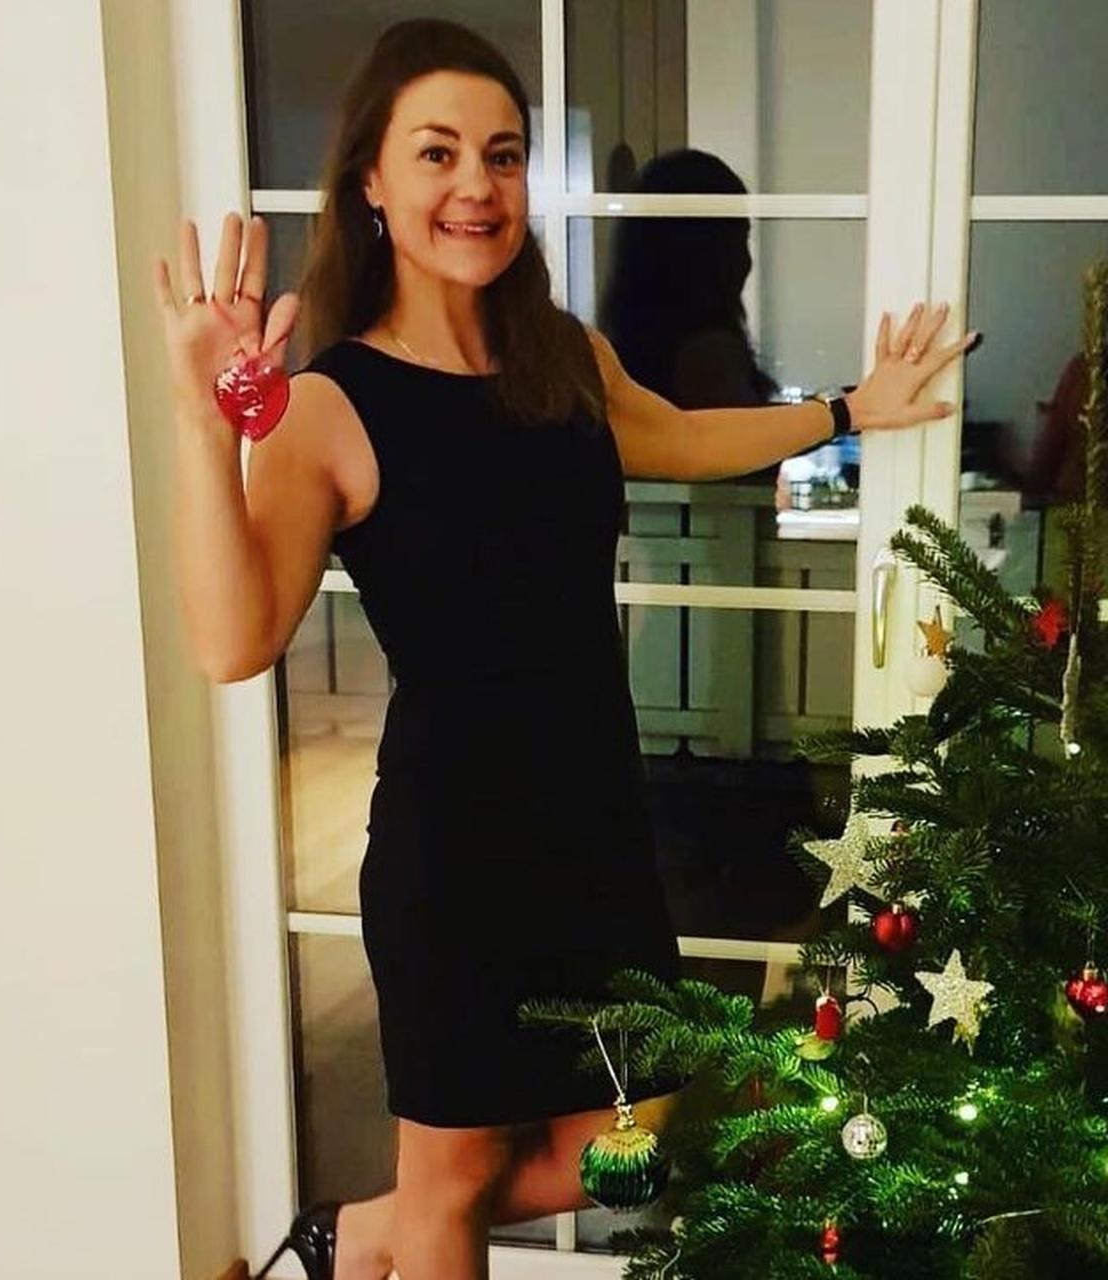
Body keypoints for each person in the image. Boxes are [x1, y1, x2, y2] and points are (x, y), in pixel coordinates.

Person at [152, 18, 975, 1280]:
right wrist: (204, 427)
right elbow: (231, 642)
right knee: (453, 1170)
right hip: (451, 845)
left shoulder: (562, 357)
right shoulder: (329, 403)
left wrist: (847, 408)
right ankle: (387, 1227)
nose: (475, 185)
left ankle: (354, 1233)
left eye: (501, 154)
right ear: (370, 180)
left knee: (631, 1140)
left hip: (596, 824)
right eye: (436, 153)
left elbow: (677, 435)